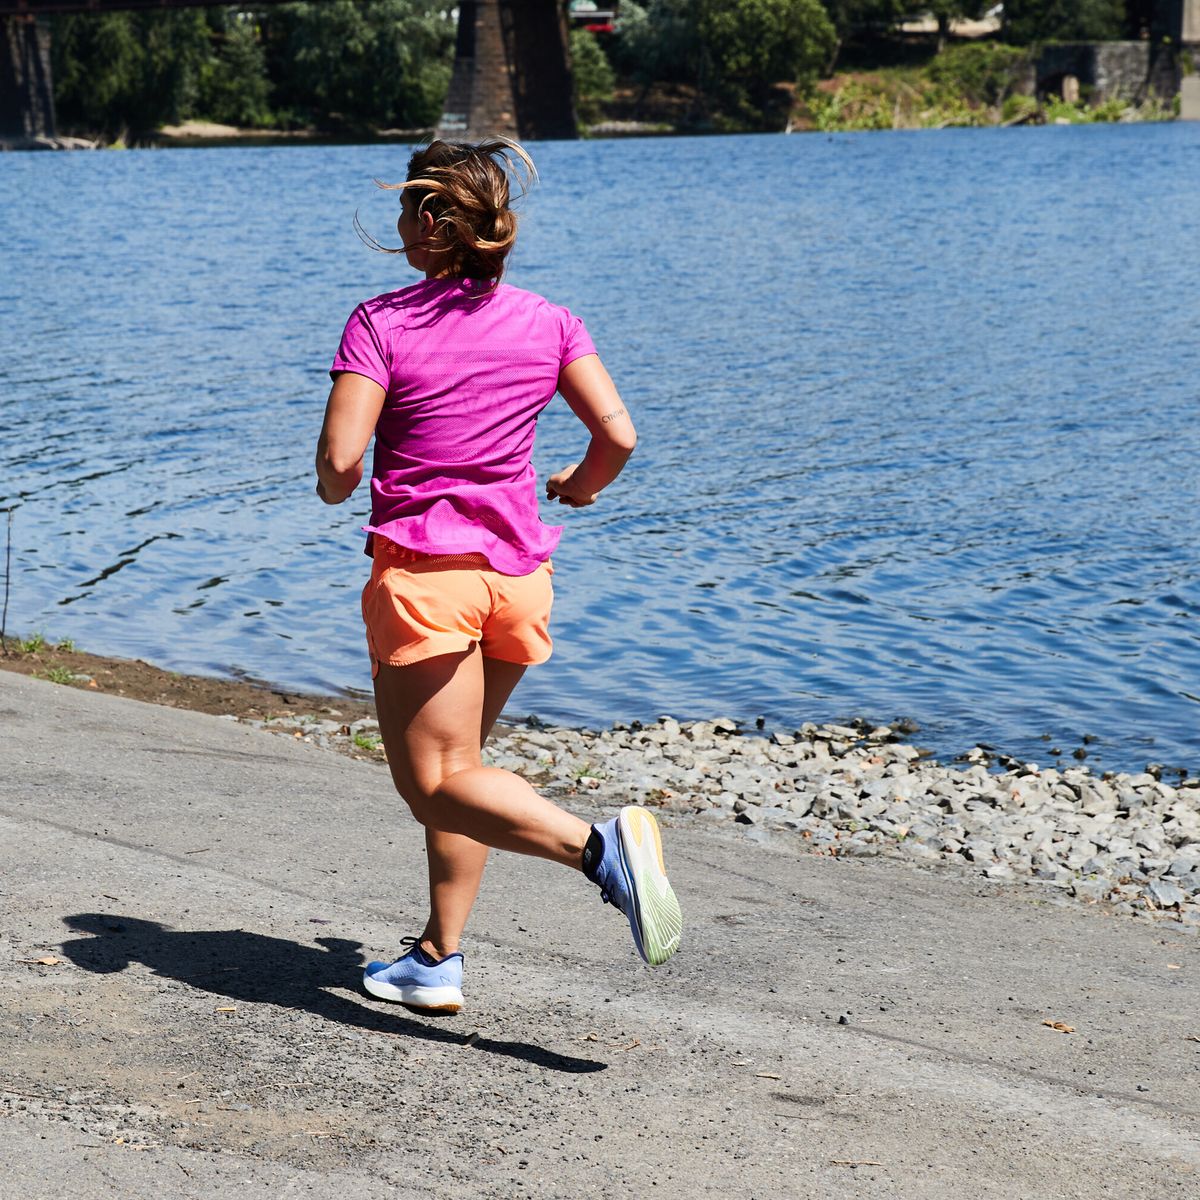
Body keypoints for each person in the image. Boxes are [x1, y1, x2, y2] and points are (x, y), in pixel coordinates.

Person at [314, 139, 682, 1014]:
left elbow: (338, 462)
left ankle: (601, 851)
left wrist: (340, 478)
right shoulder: (550, 320)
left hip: (427, 581)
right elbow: (619, 437)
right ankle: (437, 957)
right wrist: (578, 488)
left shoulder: (381, 322)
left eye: (410, 208)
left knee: (432, 783)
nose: (402, 223)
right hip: (519, 579)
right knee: (466, 769)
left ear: (435, 222)